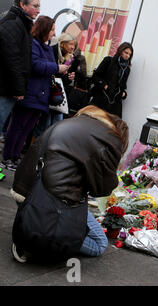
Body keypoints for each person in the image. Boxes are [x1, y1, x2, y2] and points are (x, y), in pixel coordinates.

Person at [11, 105, 129, 263]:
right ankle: (36, 238)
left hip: (27, 191)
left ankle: (33, 231)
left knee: (79, 228)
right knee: (99, 244)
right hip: (52, 200)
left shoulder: (79, 124)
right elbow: (102, 189)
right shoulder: (110, 139)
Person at [1, 15, 69, 171]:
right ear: (44, 29)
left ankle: (15, 157)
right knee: (17, 127)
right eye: (52, 29)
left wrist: (63, 72)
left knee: (26, 130)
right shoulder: (33, 44)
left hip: (41, 96)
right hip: (30, 92)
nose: (54, 33)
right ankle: (7, 158)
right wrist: (56, 68)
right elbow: (35, 65)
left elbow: (49, 67)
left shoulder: (46, 47)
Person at [0, 0, 40, 147]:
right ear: (23, 5)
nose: (38, 10)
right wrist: (18, 88)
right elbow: (12, 59)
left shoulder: (21, 24)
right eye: (35, 6)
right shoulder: (13, 23)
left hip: (7, 88)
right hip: (4, 88)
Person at [90, 42, 133, 118]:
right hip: (101, 98)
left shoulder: (127, 69)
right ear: (120, 51)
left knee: (111, 127)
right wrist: (104, 86)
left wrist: (123, 94)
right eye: (126, 52)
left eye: (130, 54)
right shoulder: (108, 61)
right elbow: (96, 76)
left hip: (115, 104)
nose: (127, 56)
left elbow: (123, 85)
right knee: (94, 122)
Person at [52, 32, 89, 117]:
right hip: (49, 91)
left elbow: (63, 80)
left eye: (74, 45)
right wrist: (58, 69)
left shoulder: (70, 58)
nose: (73, 47)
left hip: (60, 92)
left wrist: (69, 77)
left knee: (58, 119)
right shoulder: (53, 52)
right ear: (62, 43)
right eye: (71, 44)